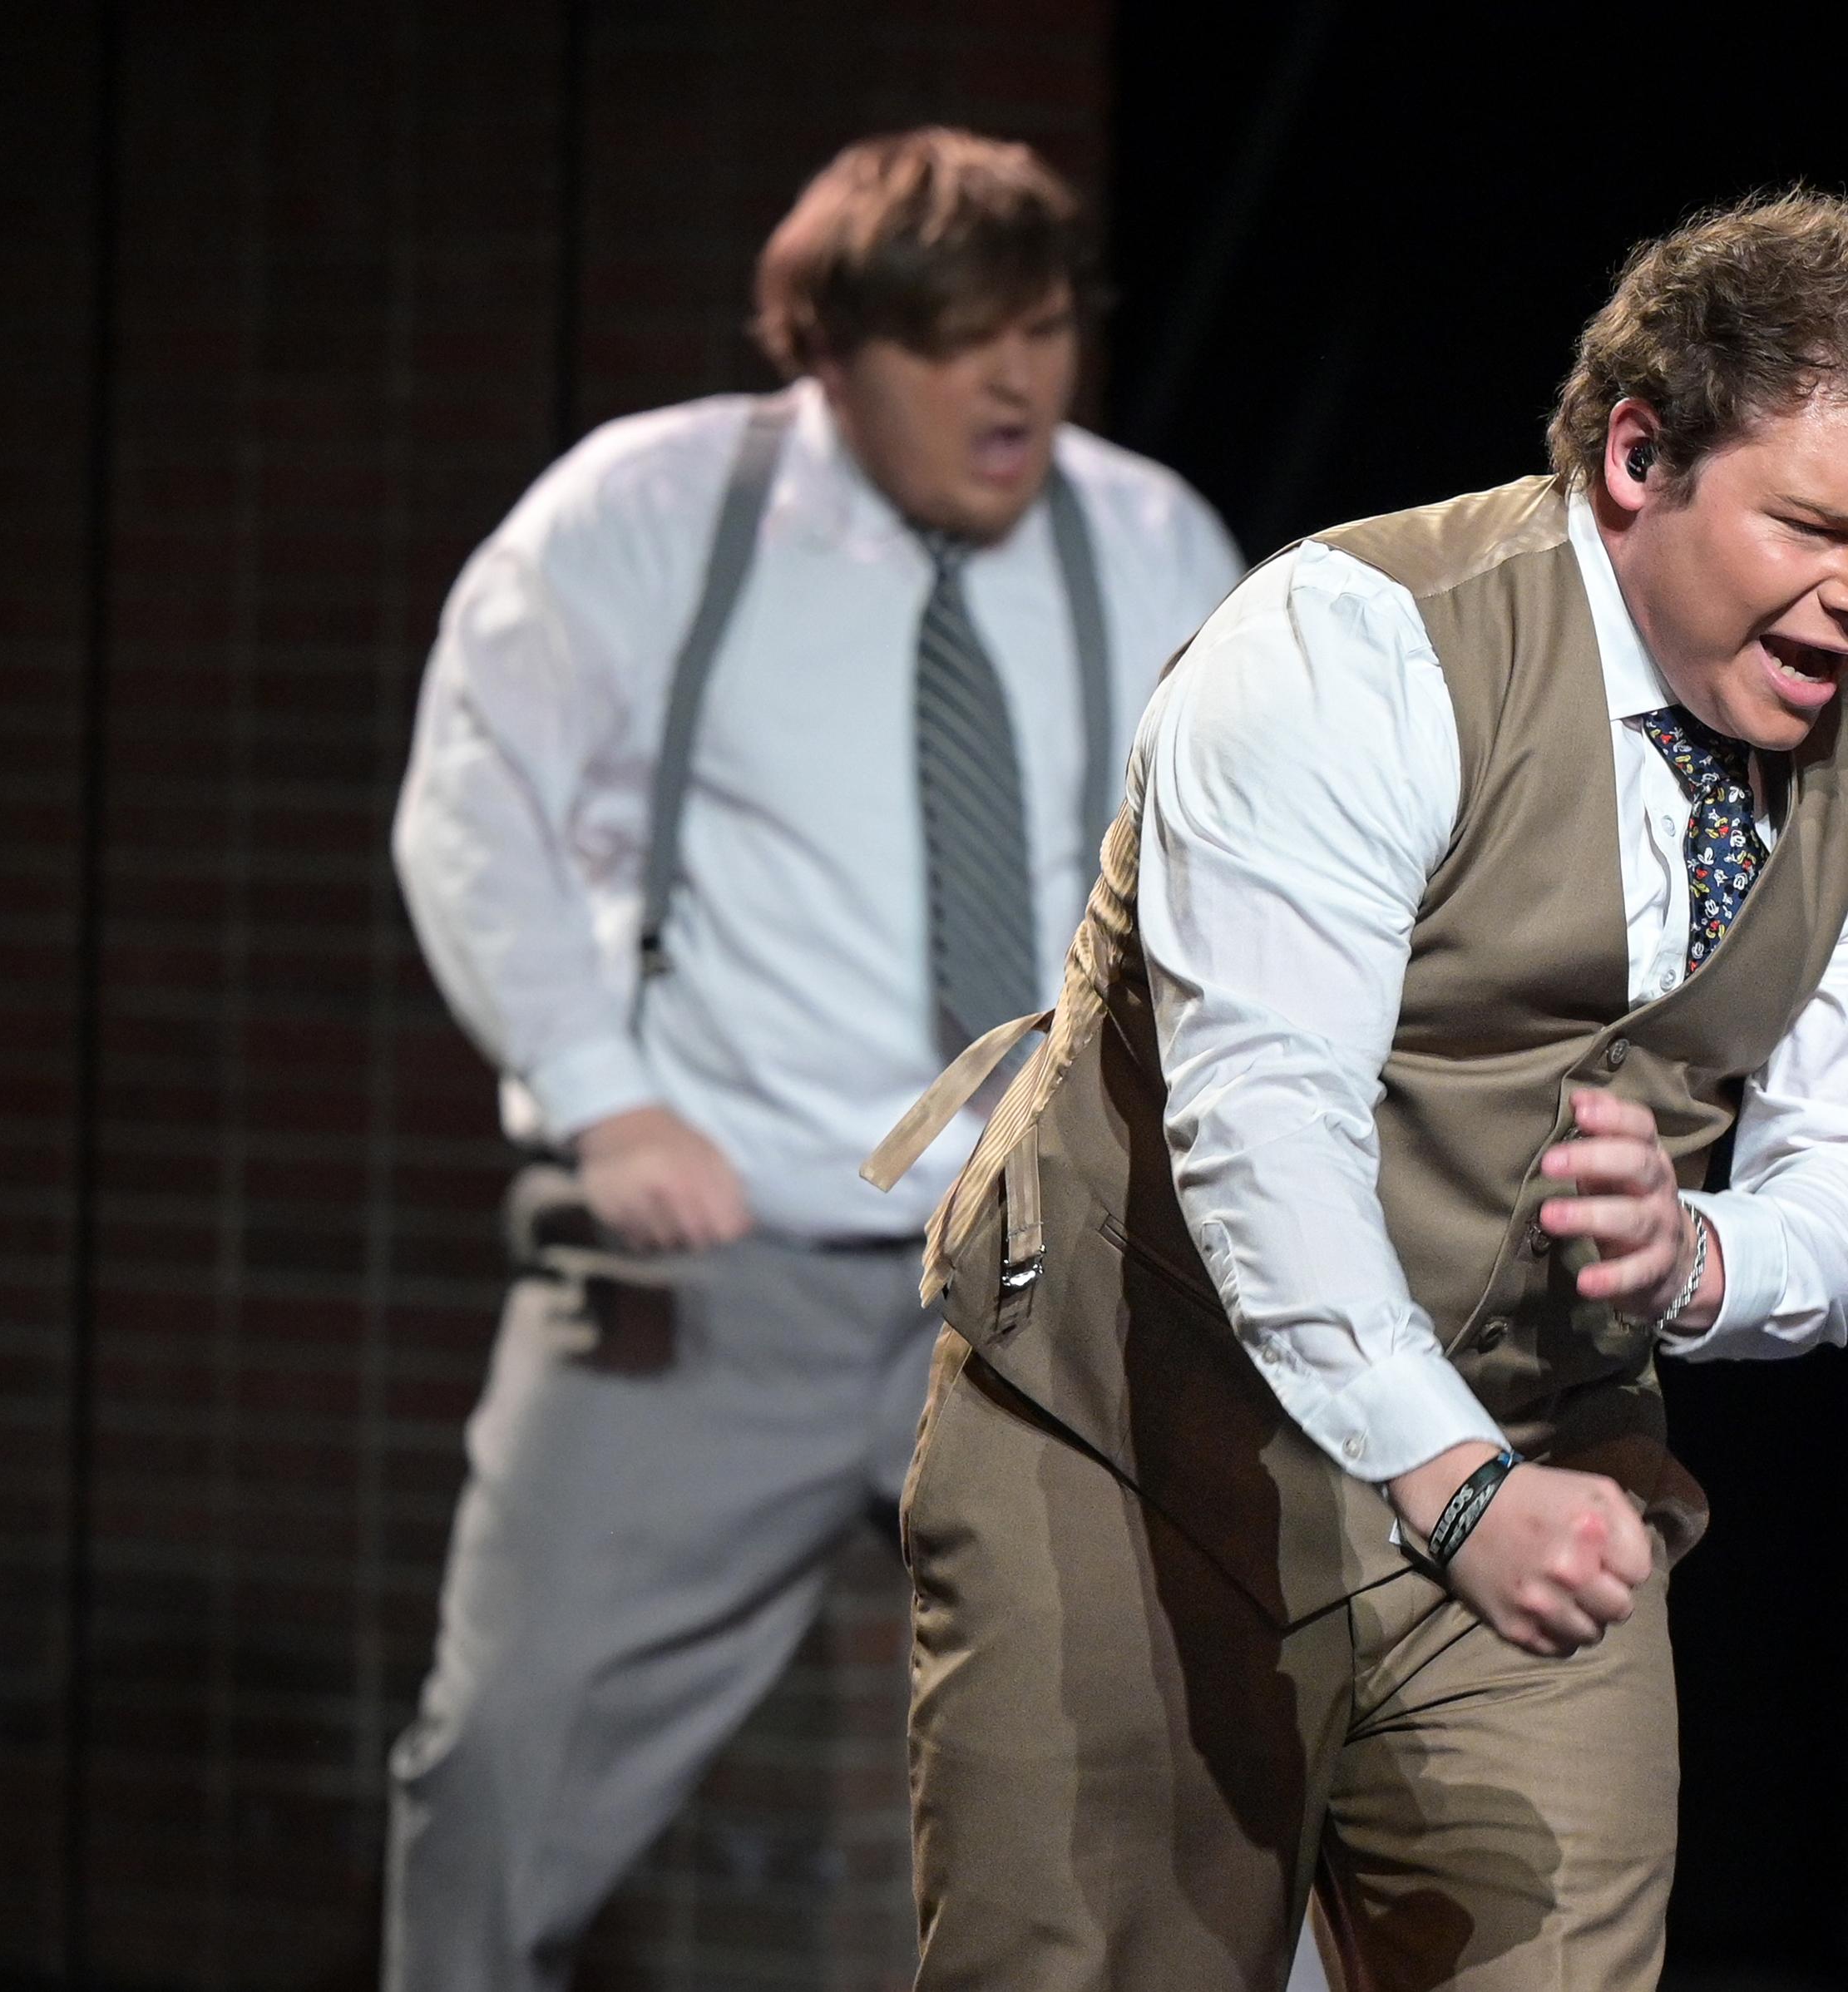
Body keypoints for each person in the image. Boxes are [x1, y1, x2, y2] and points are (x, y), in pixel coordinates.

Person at [874, 187, 1848, 1990]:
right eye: (1813, 528)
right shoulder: (1352, 648)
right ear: (1637, 457)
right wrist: (1453, 1486)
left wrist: (1699, 1259)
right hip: (1147, 1444)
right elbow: (1265, 1130)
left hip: (1541, 1457)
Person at [385, 128, 1242, 1989]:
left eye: (1042, 330)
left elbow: (1245, 878)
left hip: (1041, 1284)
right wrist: (603, 1098)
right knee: (504, 1764)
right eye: (955, 343)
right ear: (832, 354)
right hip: (727, 1279)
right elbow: (474, 804)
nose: (1014, 384)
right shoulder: (650, 513)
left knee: (1212, 1758)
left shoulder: (1151, 538)